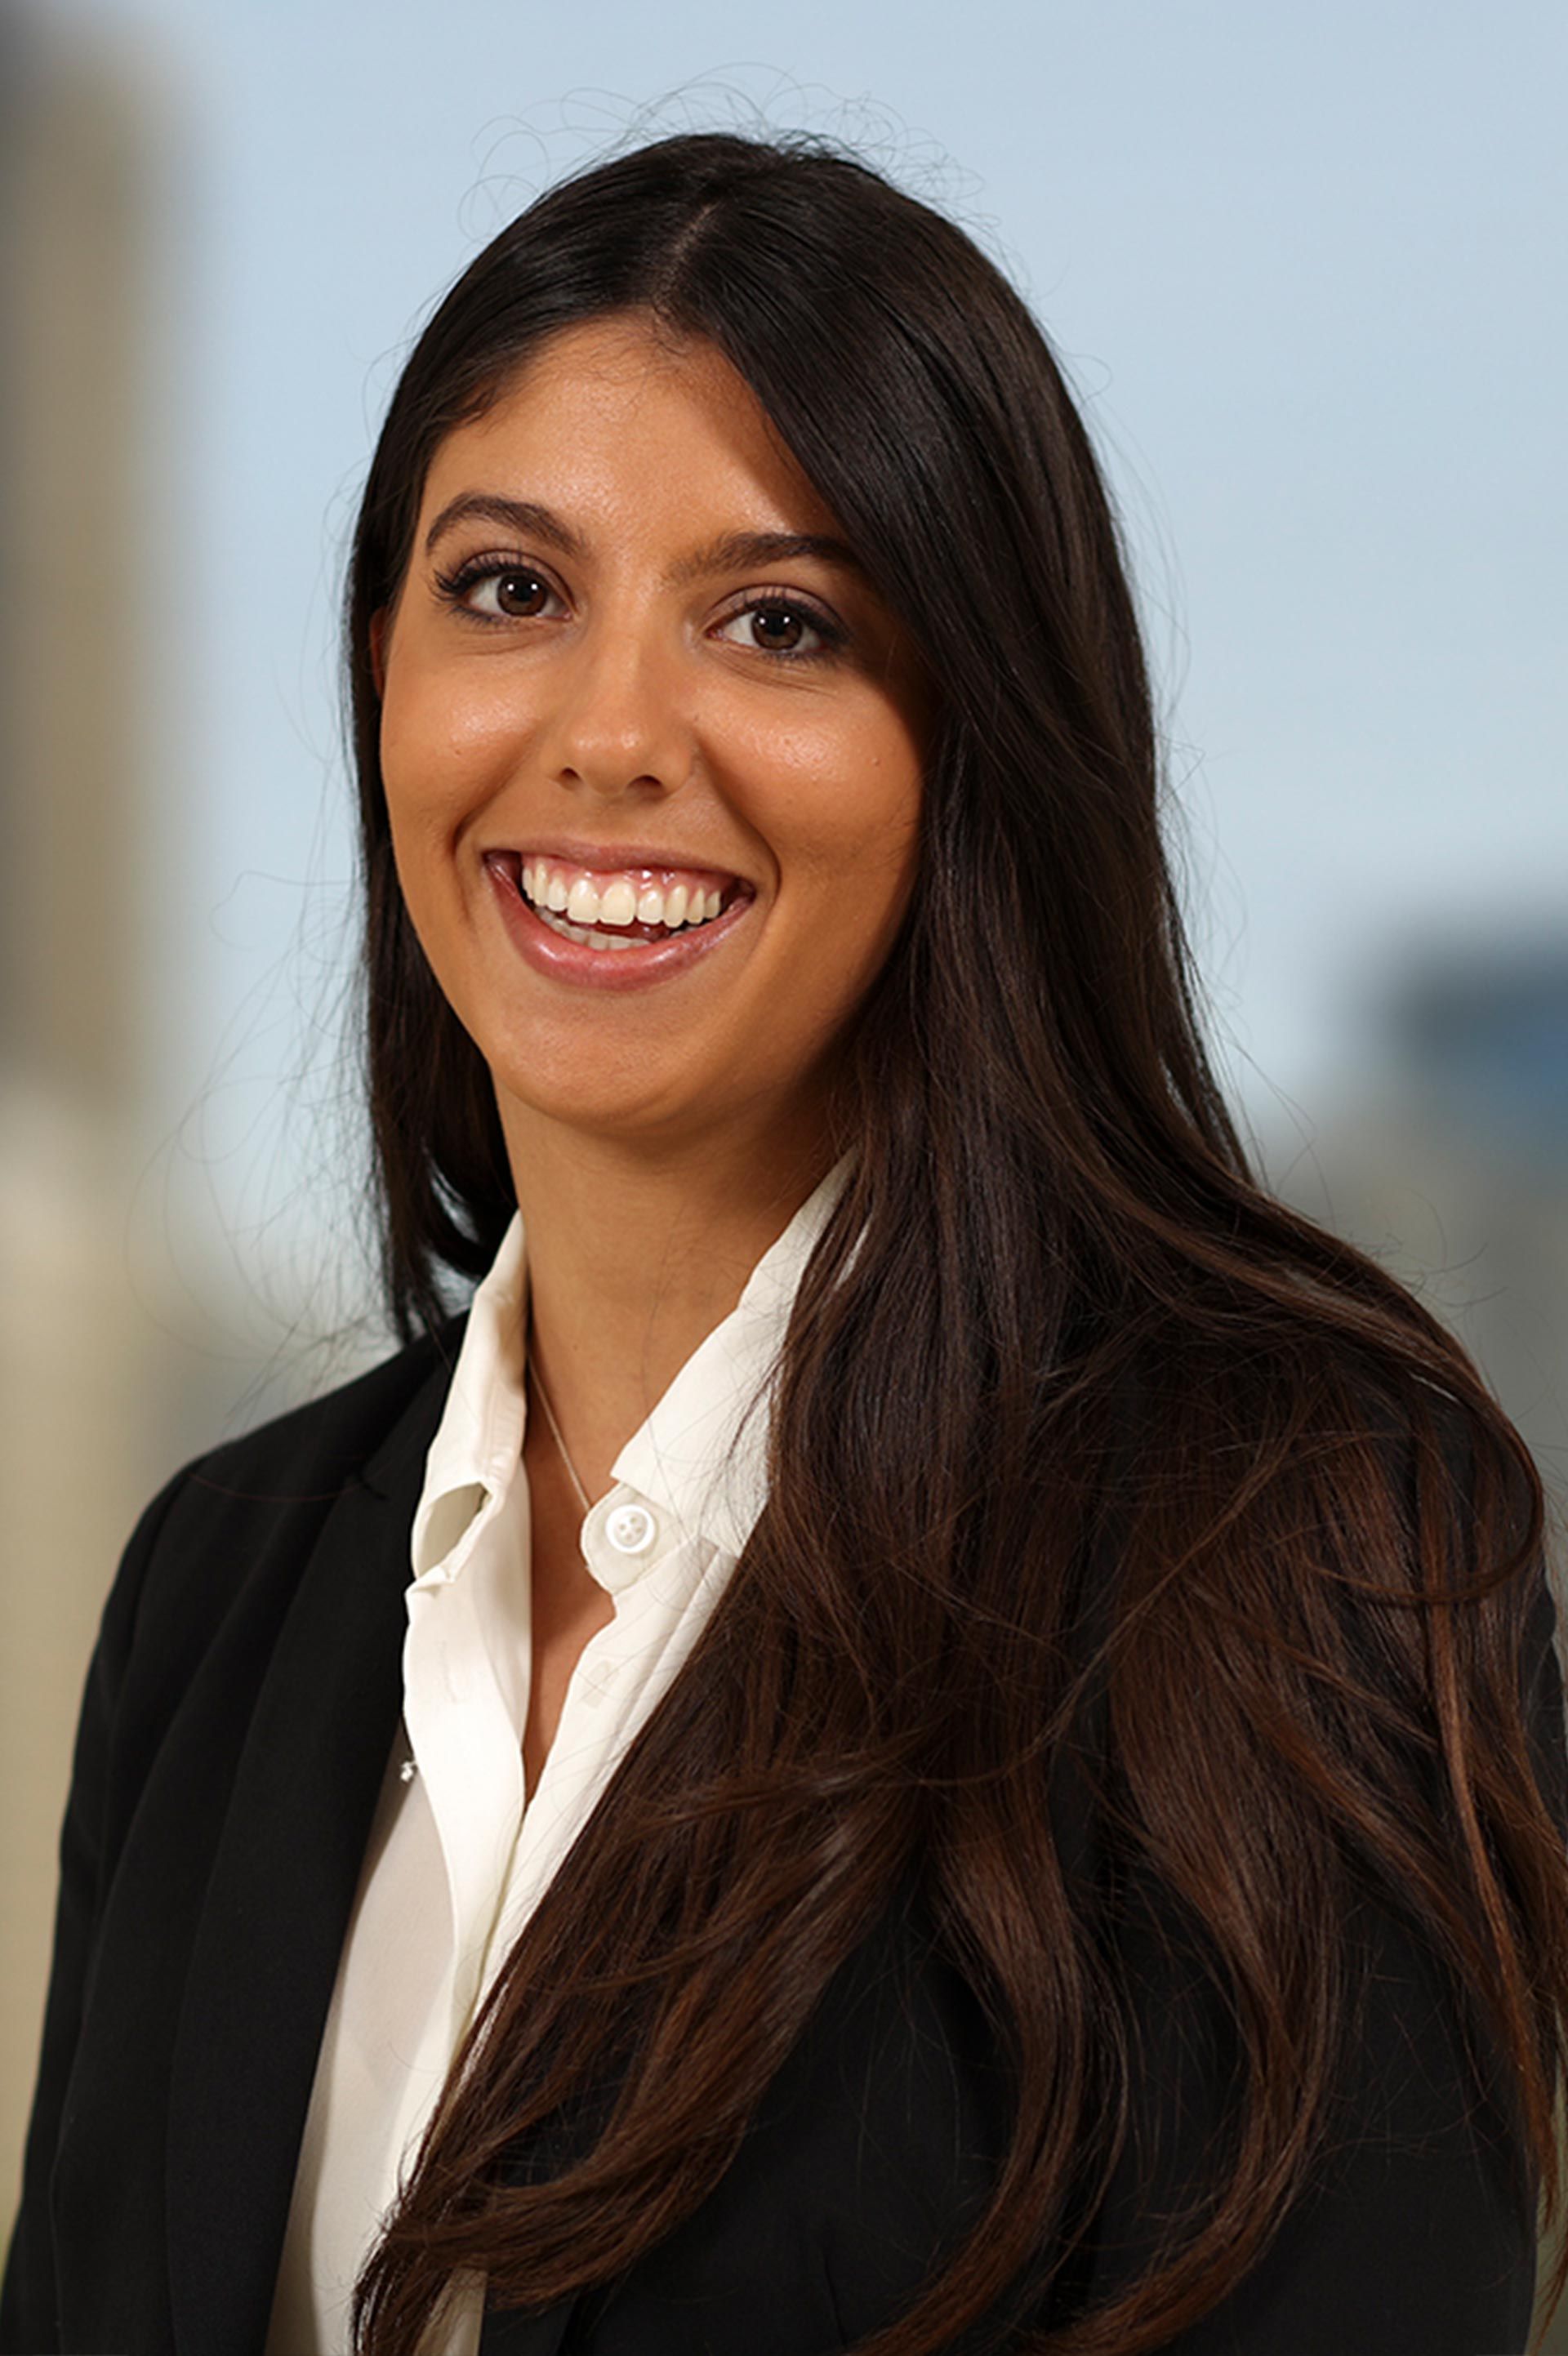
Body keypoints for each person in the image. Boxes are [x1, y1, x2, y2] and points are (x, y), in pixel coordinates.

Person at [3, 127, 1567, 2356]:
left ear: (976, 744)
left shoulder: (1289, 1571)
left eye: (779, 623)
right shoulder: (215, 1594)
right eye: (510, 590)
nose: (612, 734)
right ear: (381, 677)